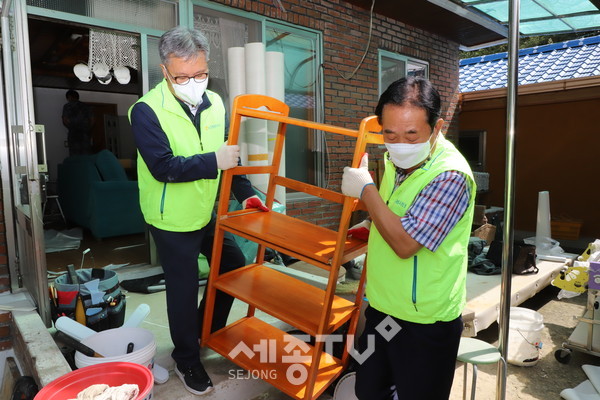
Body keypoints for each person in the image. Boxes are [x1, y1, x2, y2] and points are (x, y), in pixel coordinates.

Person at [129, 26, 267, 396]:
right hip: (171, 217)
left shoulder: (215, 102)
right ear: (165, 70)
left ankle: (205, 333)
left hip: (207, 210)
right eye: (183, 76)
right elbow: (164, 166)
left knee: (232, 267)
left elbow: (225, 153)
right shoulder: (145, 110)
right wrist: (214, 161)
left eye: (201, 74)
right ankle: (187, 359)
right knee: (183, 286)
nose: (193, 82)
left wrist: (244, 192)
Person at [341, 77, 476, 399]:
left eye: (412, 134)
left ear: (438, 127)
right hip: (382, 308)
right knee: (370, 389)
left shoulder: (450, 175)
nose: (399, 142)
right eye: (390, 133)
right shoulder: (395, 161)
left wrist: (366, 191)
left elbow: (405, 244)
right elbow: (396, 214)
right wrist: (371, 223)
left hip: (425, 321)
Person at [62, 89, 94, 155]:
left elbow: (65, 120)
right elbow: (92, 120)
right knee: (86, 153)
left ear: (69, 97)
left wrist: (71, 127)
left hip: (73, 133)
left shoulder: (67, 106)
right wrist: (88, 128)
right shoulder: (86, 106)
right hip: (85, 133)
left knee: (74, 155)